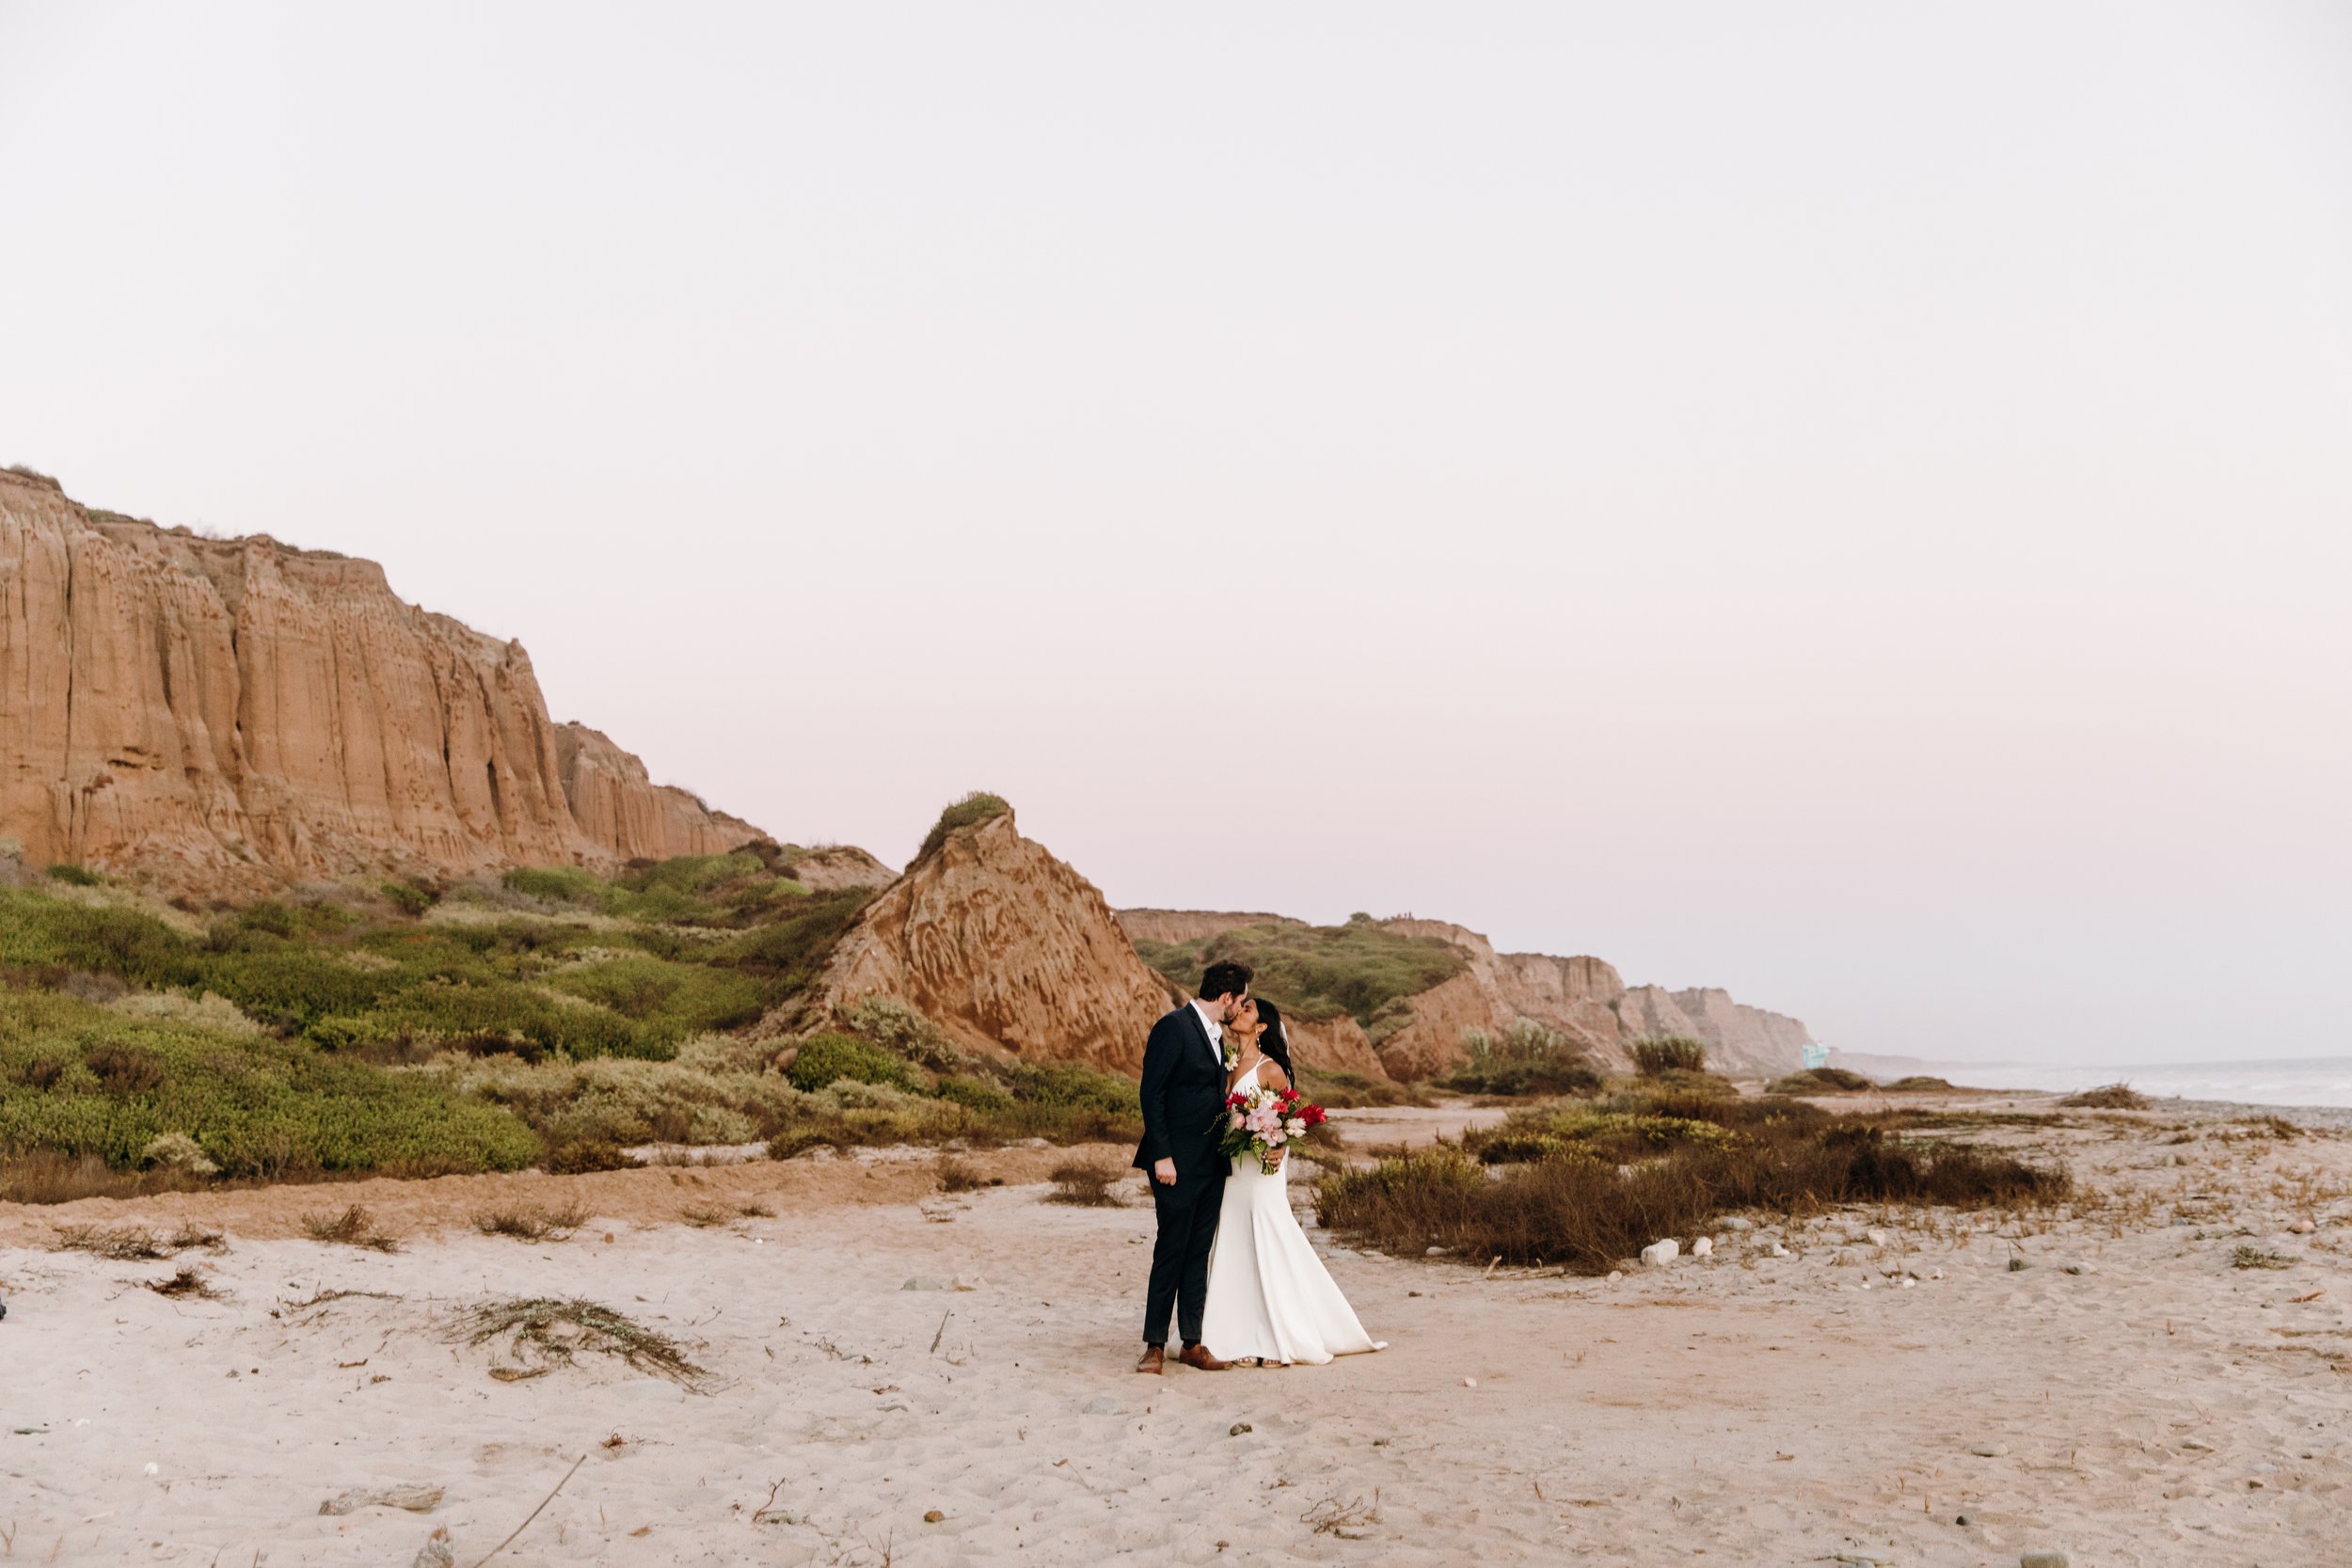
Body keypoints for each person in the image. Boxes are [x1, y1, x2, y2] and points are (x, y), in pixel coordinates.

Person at [1198, 996, 1385, 1367]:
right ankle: (1233, 1337)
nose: (1239, 1011)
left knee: (1269, 1238)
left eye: (1248, 1009)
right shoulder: (1225, 1064)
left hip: (1261, 1170)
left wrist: (1280, 1147)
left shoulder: (1271, 1070)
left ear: (1261, 1027)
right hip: (1232, 1170)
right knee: (1234, 1242)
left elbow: (1288, 1120)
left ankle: (1274, 1337)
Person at [1132, 958, 1253, 1373]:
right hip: (1175, 1163)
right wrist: (1162, 1154)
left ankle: (1192, 1342)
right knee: (1171, 1248)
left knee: (1198, 1252)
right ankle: (1153, 1345)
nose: (1241, 1008)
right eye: (1241, 1000)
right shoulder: (1173, 1027)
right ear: (1226, 998)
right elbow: (1153, 1093)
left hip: (1210, 1164)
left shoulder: (1218, 1038)